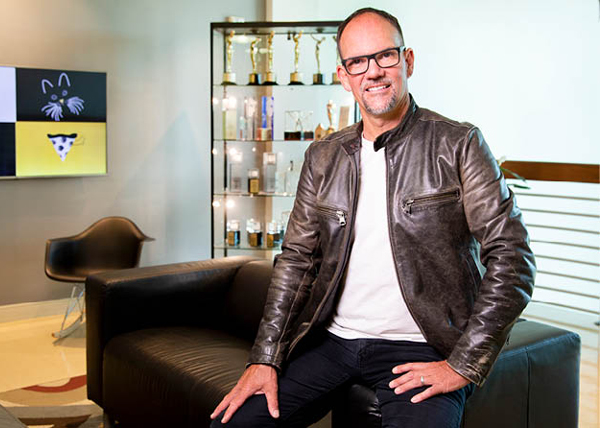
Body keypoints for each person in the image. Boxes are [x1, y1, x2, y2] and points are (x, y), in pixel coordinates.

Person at [211, 7, 535, 428]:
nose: (373, 72)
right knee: (232, 424)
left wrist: (463, 363)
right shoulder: (323, 157)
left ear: (408, 61)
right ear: (344, 76)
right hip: (332, 341)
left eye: (385, 56)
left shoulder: (458, 144)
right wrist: (265, 358)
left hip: (422, 346)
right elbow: (295, 261)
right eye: (357, 62)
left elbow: (513, 258)